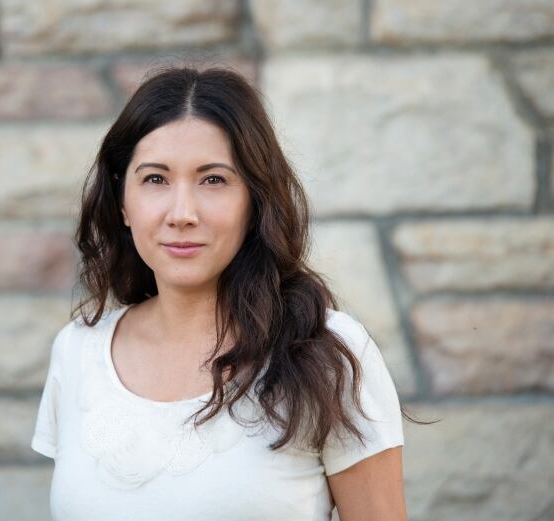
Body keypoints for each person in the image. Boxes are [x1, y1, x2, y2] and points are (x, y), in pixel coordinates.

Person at [31, 64, 422, 520]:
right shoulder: (77, 351)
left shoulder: (326, 354)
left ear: (253, 201)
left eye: (213, 179)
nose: (182, 213)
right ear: (122, 202)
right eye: (155, 179)